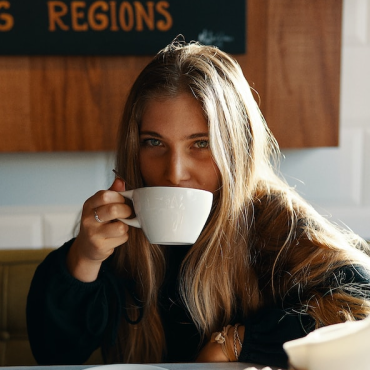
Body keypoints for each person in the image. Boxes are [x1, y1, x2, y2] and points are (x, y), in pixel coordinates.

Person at [27, 39, 370, 369]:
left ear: (237, 148)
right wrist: (84, 260)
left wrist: (237, 342)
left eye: (201, 143)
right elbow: (53, 356)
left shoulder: (274, 222)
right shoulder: (117, 238)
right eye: (154, 142)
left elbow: (362, 309)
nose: (174, 173)